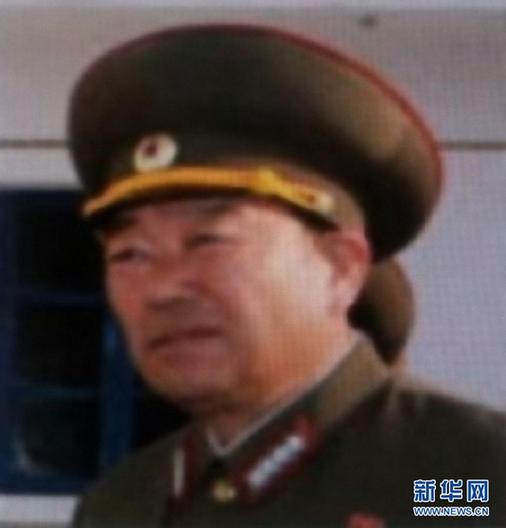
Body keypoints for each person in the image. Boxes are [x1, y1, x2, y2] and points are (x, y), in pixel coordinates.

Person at [69, 25, 506, 527]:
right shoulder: (121, 506)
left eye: (209, 241)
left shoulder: (463, 482)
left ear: (340, 268)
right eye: (130, 254)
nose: (163, 289)